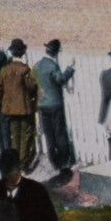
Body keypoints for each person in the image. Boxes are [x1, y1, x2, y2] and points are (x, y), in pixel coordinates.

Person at [0, 38, 40, 173]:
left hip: (10, 109)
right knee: (26, 135)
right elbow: (32, 87)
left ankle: (16, 162)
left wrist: (5, 101)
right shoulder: (25, 70)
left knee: (14, 135)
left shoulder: (5, 70)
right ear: (23, 52)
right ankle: (22, 162)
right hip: (24, 108)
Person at [35, 39, 77, 180]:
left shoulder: (37, 65)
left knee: (49, 134)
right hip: (55, 104)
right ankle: (63, 161)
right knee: (59, 133)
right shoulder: (52, 65)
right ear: (56, 53)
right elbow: (60, 80)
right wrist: (70, 69)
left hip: (43, 104)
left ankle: (54, 162)